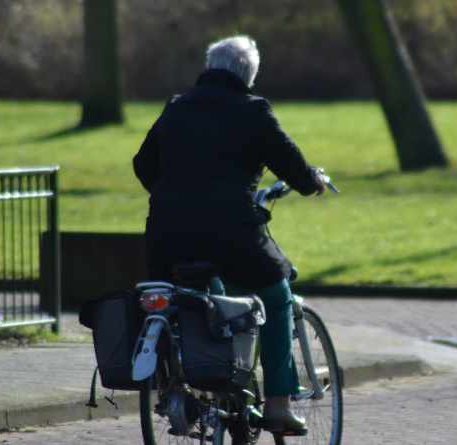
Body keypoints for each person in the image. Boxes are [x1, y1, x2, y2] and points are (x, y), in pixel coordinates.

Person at [132, 35, 326, 435]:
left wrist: (176, 197)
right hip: (232, 235)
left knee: (180, 300)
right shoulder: (253, 110)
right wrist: (314, 182)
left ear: (208, 67)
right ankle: (277, 405)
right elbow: (291, 164)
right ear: (249, 75)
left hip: (168, 234)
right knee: (275, 293)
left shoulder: (176, 106)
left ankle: (176, 388)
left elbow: (143, 164)